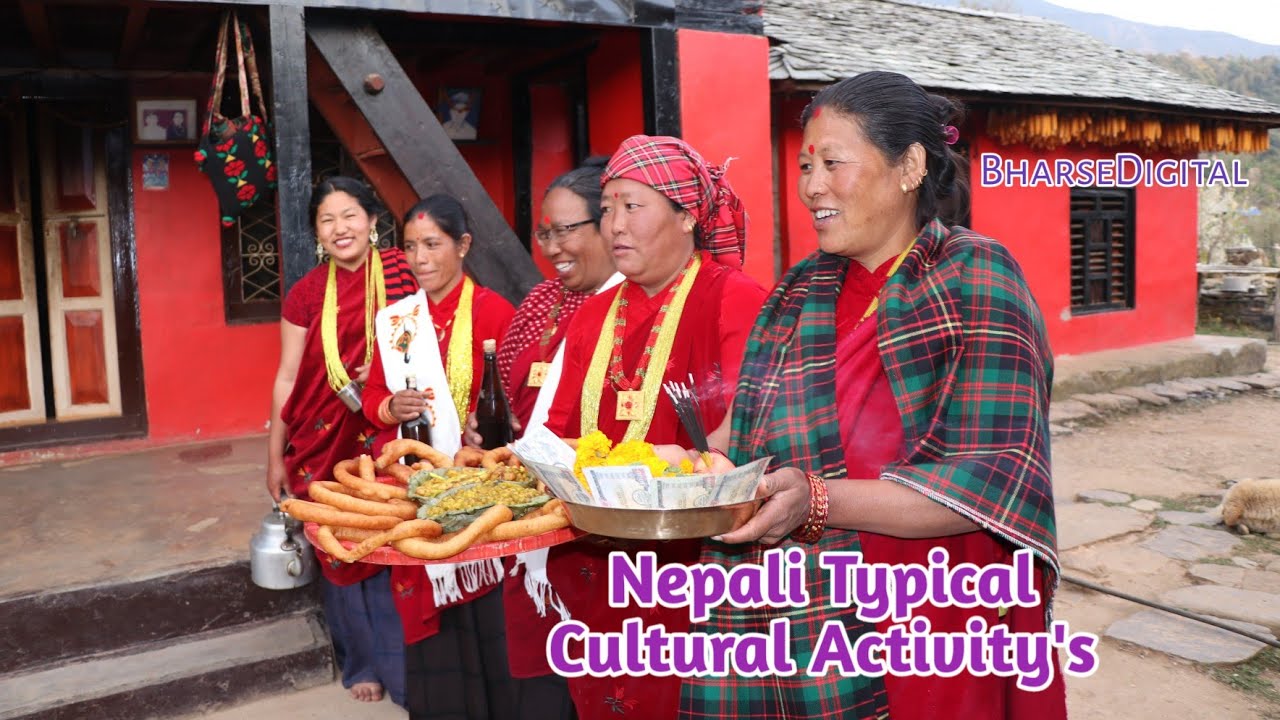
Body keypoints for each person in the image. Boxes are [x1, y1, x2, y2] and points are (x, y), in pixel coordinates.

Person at [674, 71, 1066, 719]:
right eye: (805, 165)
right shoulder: (799, 292)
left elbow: (990, 480)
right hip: (787, 620)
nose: (810, 186)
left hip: (923, 621)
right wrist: (689, 469)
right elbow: (744, 434)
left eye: (832, 163)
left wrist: (820, 498)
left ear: (909, 165)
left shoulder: (974, 276)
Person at [539, 135, 768, 720]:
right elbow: (559, 431)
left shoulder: (733, 298)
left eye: (631, 206)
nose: (613, 223)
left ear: (687, 215)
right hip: (594, 565)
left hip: (695, 574)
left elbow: (754, 428)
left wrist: (684, 459)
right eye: (608, 206)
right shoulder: (592, 314)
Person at [471, 158, 620, 719]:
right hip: (531, 500)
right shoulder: (539, 301)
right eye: (545, 232)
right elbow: (502, 388)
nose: (553, 246)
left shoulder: (623, 307)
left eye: (567, 230)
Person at [361, 192, 516, 720]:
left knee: (487, 618)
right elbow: (372, 400)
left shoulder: (496, 312)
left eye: (432, 244)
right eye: (409, 246)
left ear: (463, 245)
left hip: (480, 498)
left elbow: (514, 403)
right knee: (427, 610)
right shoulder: (397, 320)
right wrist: (387, 404)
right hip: (420, 491)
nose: (420, 259)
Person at [266, 175, 418, 706]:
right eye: (328, 220)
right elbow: (288, 375)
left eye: (350, 215)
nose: (341, 228)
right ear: (316, 234)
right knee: (338, 549)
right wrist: (274, 456)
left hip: (388, 429)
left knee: (391, 542)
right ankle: (361, 663)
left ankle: (404, 667)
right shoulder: (306, 293)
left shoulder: (405, 274)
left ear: (373, 221)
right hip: (319, 440)